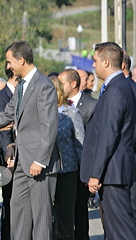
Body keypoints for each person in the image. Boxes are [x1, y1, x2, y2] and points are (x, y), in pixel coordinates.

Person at [0, 41, 59, 239]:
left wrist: (40, 160)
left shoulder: (44, 86)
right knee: (18, 215)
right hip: (20, 163)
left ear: (21, 60)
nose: (8, 66)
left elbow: (49, 126)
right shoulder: (21, 86)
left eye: (10, 62)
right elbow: (5, 116)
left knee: (41, 220)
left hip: (39, 164)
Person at [80, 42, 136, 239]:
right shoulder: (121, 86)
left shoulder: (115, 90)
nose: (93, 66)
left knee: (121, 232)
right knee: (114, 232)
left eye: (95, 61)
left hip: (113, 173)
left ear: (105, 61)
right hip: (116, 171)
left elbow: (107, 136)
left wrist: (96, 174)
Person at [58, 68, 97, 239]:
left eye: (62, 83)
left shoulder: (91, 105)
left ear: (73, 84)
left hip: (81, 168)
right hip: (61, 170)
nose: (58, 87)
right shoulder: (54, 108)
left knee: (80, 212)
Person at [50, 76, 84, 239]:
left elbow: (80, 144)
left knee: (65, 216)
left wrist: (84, 173)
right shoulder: (39, 114)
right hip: (47, 171)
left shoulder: (72, 113)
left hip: (68, 171)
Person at [0, 66, 17, 240]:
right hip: (10, 160)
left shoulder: (26, 94)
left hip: (28, 156)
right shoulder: (1, 98)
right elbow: (1, 131)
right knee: (10, 204)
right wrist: (9, 149)